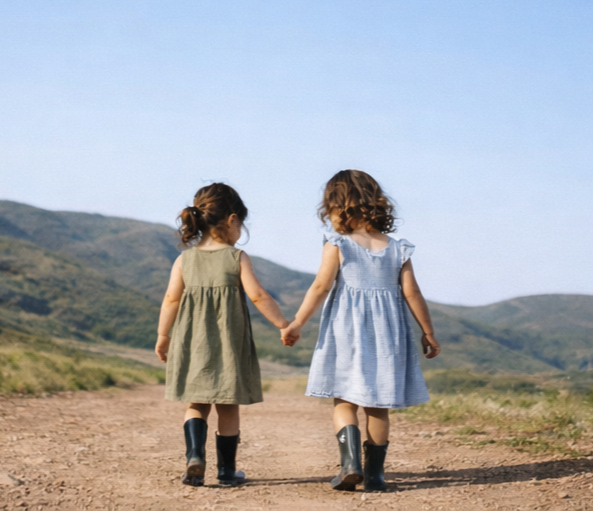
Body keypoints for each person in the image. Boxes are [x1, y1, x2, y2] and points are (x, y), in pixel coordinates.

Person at [282, 169, 440, 493]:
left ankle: (350, 463)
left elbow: (320, 287)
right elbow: (413, 294)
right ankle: (376, 476)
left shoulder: (338, 244)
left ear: (337, 207)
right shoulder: (398, 249)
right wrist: (428, 332)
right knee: (378, 405)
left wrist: (297, 322)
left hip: (347, 333)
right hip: (388, 335)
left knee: (344, 400)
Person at [156, 182, 290, 487]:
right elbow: (258, 295)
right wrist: (283, 324)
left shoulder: (184, 260)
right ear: (231, 220)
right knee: (228, 406)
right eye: (241, 223)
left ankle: (195, 458)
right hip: (229, 346)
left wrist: (163, 336)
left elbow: (171, 300)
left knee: (196, 403)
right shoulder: (236, 257)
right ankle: (227, 471)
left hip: (193, 345)